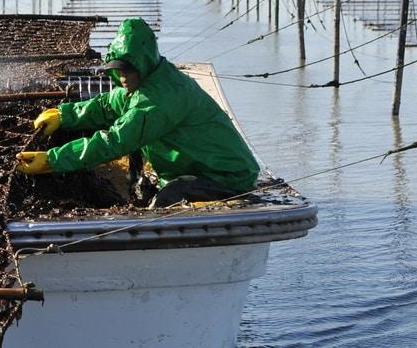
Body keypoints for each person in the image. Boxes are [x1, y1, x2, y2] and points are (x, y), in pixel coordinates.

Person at [15, 17, 260, 208]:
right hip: (196, 168)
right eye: (117, 70)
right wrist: (65, 115)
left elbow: (116, 140)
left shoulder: (160, 98)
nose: (122, 77)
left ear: (143, 63)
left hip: (226, 176)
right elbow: (107, 106)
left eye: (127, 70)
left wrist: (52, 160)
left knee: (168, 199)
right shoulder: (142, 82)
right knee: (144, 185)